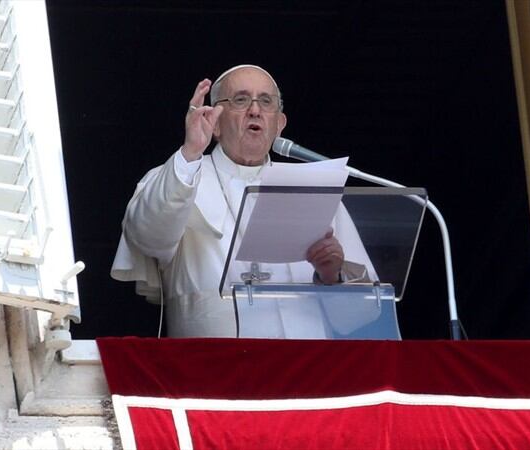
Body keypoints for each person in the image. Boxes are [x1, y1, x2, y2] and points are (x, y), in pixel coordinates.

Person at [111, 65, 368, 337]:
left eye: (266, 101)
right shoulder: (180, 174)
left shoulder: (314, 188)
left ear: (279, 124)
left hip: (304, 369)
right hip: (212, 368)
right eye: (241, 100)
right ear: (215, 121)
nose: (255, 110)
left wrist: (332, 276)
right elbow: (148, 237)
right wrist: (191, 152)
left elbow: (361, 316)